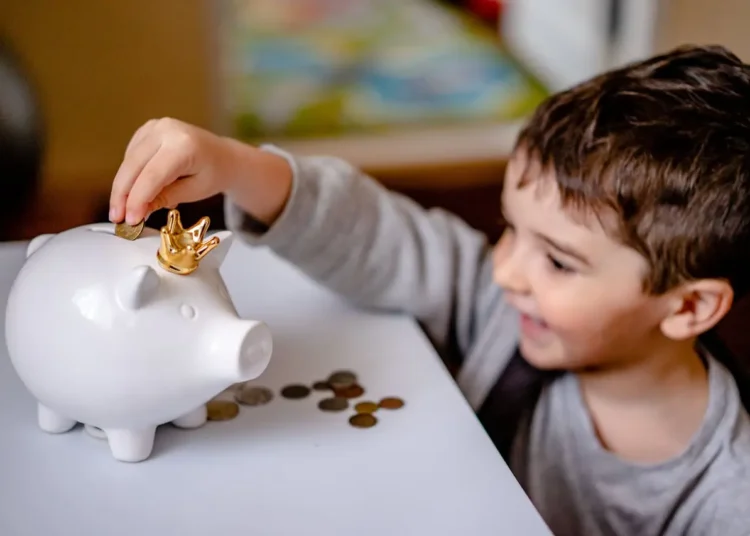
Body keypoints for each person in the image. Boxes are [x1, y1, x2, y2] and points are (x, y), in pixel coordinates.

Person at [108, 44, 750, 535]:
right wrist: (236, 166)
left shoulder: (726, 497)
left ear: (689, 306)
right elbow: (381, 237)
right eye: (509, 229)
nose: (504, 272)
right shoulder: (506, 309)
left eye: (558, 262)